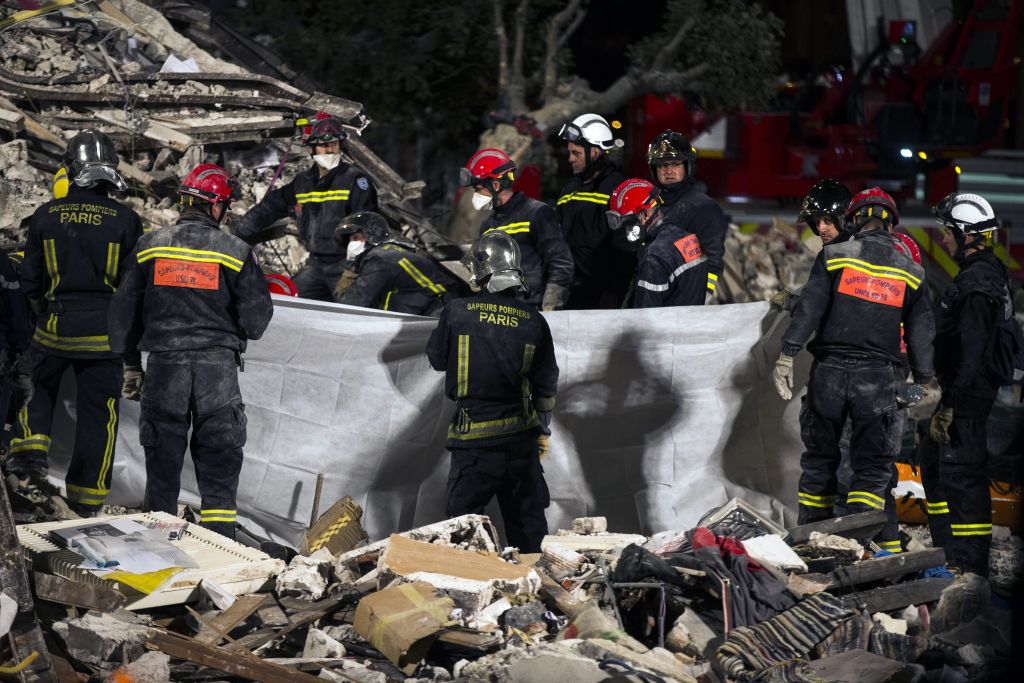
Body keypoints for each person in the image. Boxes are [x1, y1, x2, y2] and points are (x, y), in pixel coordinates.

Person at [109, 164, 273, 539]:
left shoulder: (150, 245)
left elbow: (123, 310)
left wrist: (131, 365)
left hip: (165, 366)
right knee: (219, 455)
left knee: (162, 456)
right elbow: (257, 322)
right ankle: (219, 540)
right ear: (216, 207)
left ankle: (155, 538)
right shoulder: (236, 251)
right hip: (217, 369)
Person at [773, 188, 934, 530]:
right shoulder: (912, 273)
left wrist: (787, 354)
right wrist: (921, 380)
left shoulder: (835, 256)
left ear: (853, 220)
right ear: (892, 225)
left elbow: (811, 310)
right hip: (876, 381)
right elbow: (921, 332)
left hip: (828, 375)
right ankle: (858, 542)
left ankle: (811, 536)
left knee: (820, 460)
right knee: (873, 467)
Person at [5, 130, 143, 516]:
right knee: (101, 417)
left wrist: (40, 311)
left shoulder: (47, 215)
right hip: (105, 338)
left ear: (71, 168)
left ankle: (29, 468)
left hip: (53, 330)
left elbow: (30, 279)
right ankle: (86, 503)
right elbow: (133, 290)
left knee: (35, 389)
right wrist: (131, 351)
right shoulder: (128, 221)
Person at [426, 232, 558, 552]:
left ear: (482, 271)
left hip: (474, 446)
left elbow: (437, 359)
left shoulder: (457, 311)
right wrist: (542, 430)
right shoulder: (534, 321)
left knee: (462, 533)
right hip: (521, 446)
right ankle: (536, 594)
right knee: (529, 534)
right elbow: (546, 385)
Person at [917, 192, 1008, 575]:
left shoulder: (977, 285)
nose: (943, 239)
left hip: (966, 400)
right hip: (960, 395)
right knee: (935, 468)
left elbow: (971, 352)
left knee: (962, 480)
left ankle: (968, 568)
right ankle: (946, 553)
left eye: (948, 231)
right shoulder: (980, 276)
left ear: (967, 234)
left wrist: (951, 404)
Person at [233, 112, 378, 301]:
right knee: (292, 303)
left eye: (334, 144)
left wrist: (358, 251)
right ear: (312, 149)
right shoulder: (303, 182)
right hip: (316, 264)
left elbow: (366, 216)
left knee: (350, 312)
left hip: (346, 265)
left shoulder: (354, 179)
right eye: (324, 146)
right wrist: (238, 232)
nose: (330, 150)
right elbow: (269, 208)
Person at [461, 148, 574, 310]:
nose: (476, 195)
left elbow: (561, 263)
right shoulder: (488, 226)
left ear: (496, 184)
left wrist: (550, 308)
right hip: (501, 311)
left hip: (532, 308)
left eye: (478, 188)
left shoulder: (536, 212)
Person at [554, 114, 632, 309]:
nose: (570, 159)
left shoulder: (618, 189)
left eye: (576, 153)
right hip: (568, 289)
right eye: (570, 153)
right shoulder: (569, 189)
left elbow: (624, 249)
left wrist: (612, 293)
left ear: (595, 152)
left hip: (601, 293)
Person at [646, 130, 727, 302]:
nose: (668, 170)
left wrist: (701, 296)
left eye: (675, 163)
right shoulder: (648, 204)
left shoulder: (704, 208)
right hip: (650, 294)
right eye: (662, 165)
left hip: (682, 300)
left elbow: (712, 261)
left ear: (687, 166)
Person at [605, 178, 708, 308]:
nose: (626, 230)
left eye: (627, 222)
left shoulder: (653, 256)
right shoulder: (687, 238)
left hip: (668, 327)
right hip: (691, 323)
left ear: (644, 214)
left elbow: (645, 315)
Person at [336, 211, 454, 315]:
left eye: (356, 237)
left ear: (371, 234)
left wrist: (348, 279)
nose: (351, 245)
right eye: (349, 241)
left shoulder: (380, 260)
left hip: (436, 314)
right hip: (438, 309)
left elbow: (353, 305)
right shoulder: (392, 252)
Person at [770, 179, 852, 311]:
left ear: (842, 218)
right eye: (817, 222)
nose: (821, 228)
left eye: (827, 221)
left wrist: (790, 301)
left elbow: (815, 309)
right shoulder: (861, 247)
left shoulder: (833, 257)